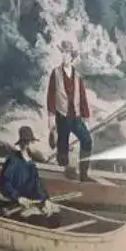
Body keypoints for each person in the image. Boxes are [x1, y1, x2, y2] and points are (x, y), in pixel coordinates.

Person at [47, 42, 92, 179]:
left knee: (87, 140)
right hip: (62, 115)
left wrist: (86, 117)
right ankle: (62, 178)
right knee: (62, 147)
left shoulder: (77, 76)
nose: (64, 56)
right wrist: (51, 116)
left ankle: (84, 174)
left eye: (67, 53)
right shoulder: (55, 73)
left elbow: (83, 96)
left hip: (76, 116)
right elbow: (51, 95)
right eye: (63, 53)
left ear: (72, 57)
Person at [0, 126, 49, 213]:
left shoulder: (31, 165)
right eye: (25, 141)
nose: (26, 144)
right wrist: (18, 198)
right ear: (21, 143)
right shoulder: (13, 160)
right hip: (9, 203)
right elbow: (4, 183)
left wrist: (45, 199)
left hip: (25, 203)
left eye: (28, 141)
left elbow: (37, 186)